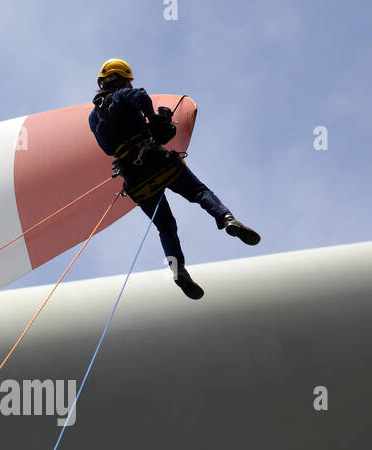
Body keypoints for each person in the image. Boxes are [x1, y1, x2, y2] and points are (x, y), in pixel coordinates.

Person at [88, 58, 260, 299]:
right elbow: (139, 96)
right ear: (122, 80)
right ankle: (227, 219)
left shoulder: (93, 119)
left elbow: (108, 149)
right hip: (155, 159)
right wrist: (152, 119)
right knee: (199, 193)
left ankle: (178, 270)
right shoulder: (122, 96)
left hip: (134, 178)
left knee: (165, 226)